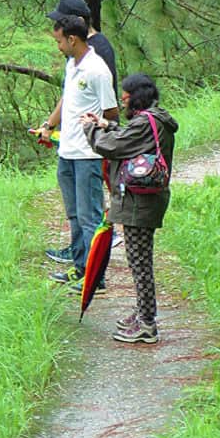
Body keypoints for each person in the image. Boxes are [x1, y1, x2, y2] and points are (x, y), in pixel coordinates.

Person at [81, 73, 178, 343]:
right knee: (138, 260)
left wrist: (91, 129)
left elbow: (112, 146)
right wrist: (105, 124)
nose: (122, 100)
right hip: (144, 199)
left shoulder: (146, 123)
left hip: (139, 201)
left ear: (136, 97)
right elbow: (127, 136)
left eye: (124, 96)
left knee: (139, 261)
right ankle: (143, 312)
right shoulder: (154, 119)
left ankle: (147, 324)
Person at [38, 12, 119, 293]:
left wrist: (97, 133)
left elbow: (111, 112)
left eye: (59, 41)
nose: (58, 46)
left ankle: (97, 277)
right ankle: (80, 266)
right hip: (68, 152)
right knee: (73, 214)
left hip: (88, 155)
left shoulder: (97, 70)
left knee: (90, 216)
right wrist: (48, 125)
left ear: (72, 39)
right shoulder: (72, 64)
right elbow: (67, 99)